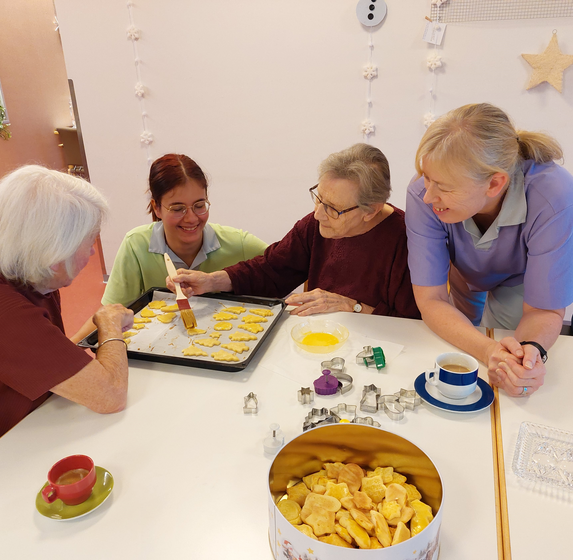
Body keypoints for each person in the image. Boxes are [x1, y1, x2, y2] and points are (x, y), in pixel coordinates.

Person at [406, 103, 573, 398]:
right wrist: (487, 350)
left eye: (442, 186)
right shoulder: (423, 192)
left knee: (511, 365)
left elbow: (543, 310)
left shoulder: (555, 195)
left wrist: (526, 356)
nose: (428, 195)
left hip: (520, 281)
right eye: (426, 178)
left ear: (494, 183)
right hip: (464, 272)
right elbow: (432, 299)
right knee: (460, 351)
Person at [167, 144, 420, 319]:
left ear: (371, 210)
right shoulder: (316, 225)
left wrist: (352, 307)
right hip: (319, 343)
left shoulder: (408, 242)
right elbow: (270, 269)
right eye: (318, 198)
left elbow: (413, 323)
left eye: (333, 208)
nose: (318, 214)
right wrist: (211, 281)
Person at [0, 165, 134, 440]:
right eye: (88, 240)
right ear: (55, 251)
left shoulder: (33, 275)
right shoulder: (6, 312)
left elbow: (47, 355)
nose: (92, 251)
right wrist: (109, 324)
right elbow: (110, 396)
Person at [101, 153, 268, 306]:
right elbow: (111, 311)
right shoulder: (136, 245)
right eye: (177, 208)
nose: (191, 218)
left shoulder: (239, 244)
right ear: (157, 207)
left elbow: (282, 266)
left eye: (199, 205)